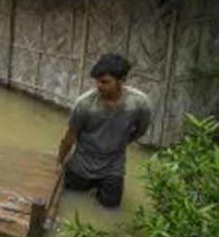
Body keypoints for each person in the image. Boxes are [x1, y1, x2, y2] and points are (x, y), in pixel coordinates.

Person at [56, 54, 151, 208]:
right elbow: (69, 137)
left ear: (121, 81)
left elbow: (141, 130)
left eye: (105, 82)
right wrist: (59, 162)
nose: (99, 86)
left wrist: (120, 143)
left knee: (110, 208)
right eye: (97, 81)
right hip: (82, 164)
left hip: (113, 166)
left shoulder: (139, 103)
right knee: (69, 199)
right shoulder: (84, 104)